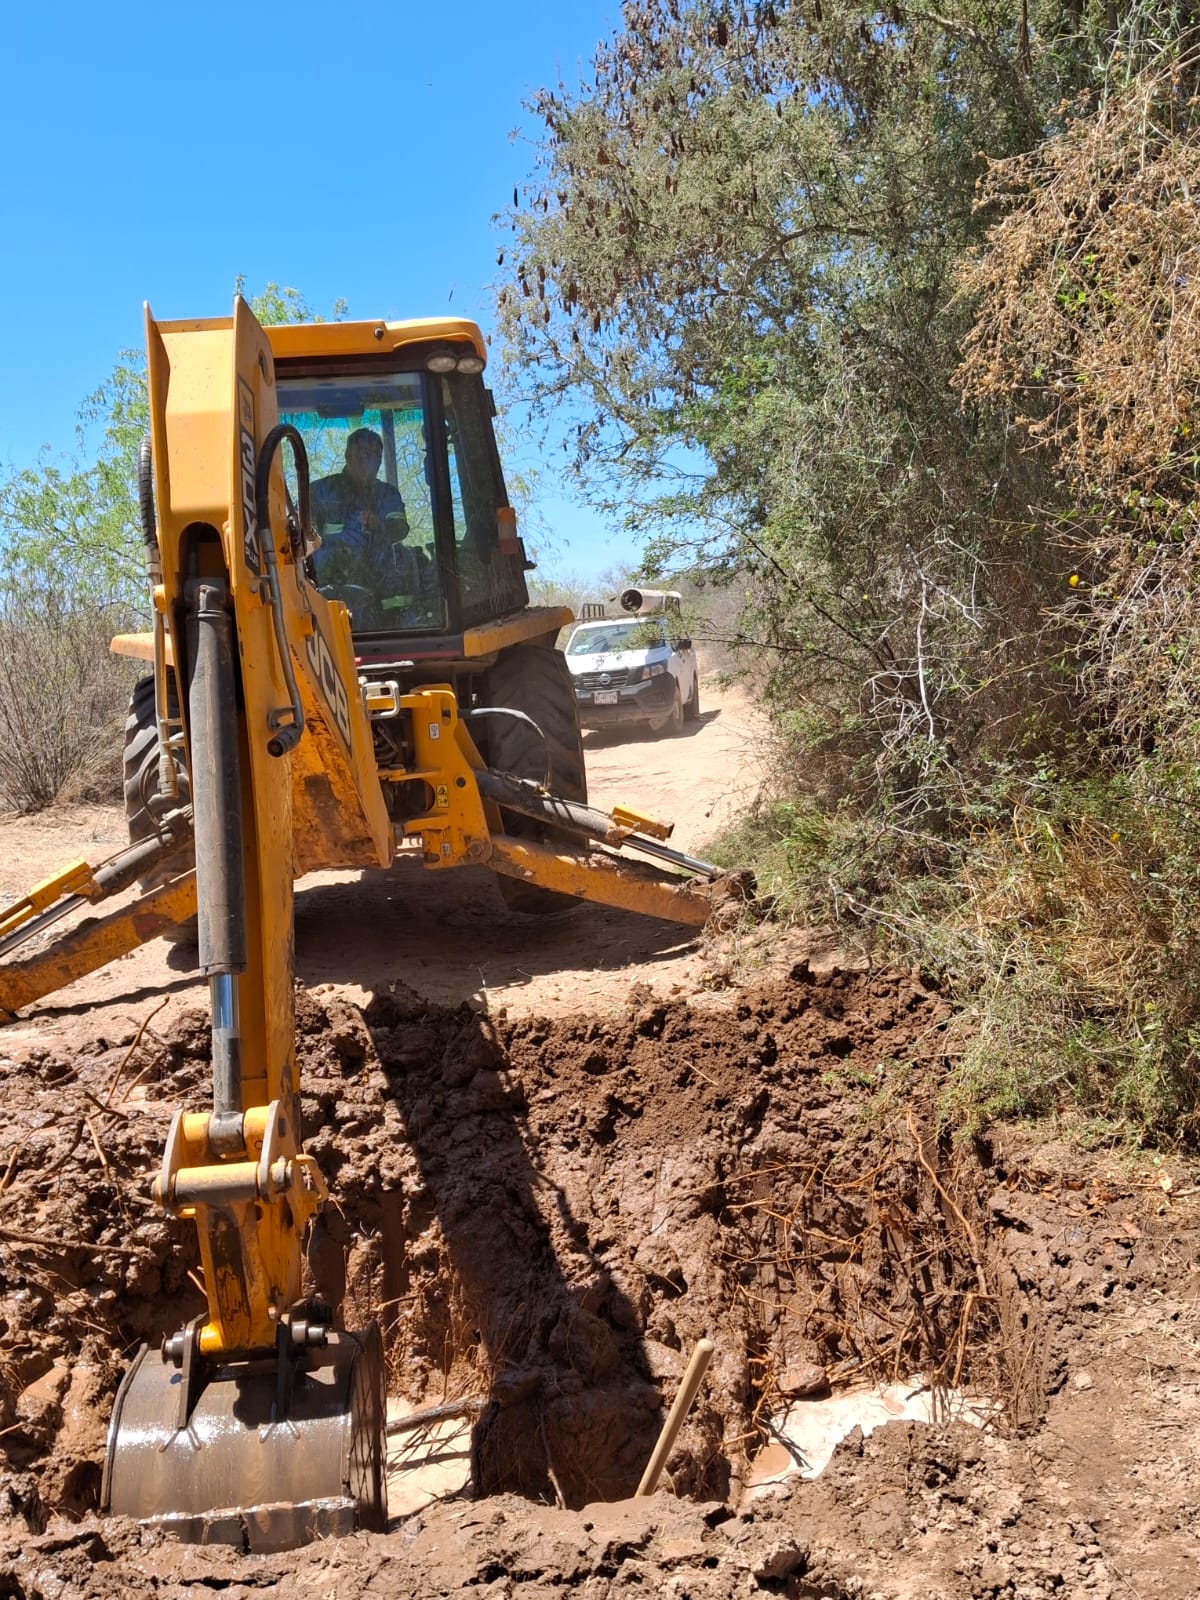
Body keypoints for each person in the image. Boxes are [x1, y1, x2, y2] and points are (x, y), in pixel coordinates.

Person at [310, 427, 413, 591]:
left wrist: (378, 525)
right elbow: (299, 537)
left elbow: (399, 528)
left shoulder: (388, 495)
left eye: (376, 456)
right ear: (348, 456)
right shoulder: (319, 491)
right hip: (324, 590)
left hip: (380, 592)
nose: (370, 461)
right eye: (364, 454)